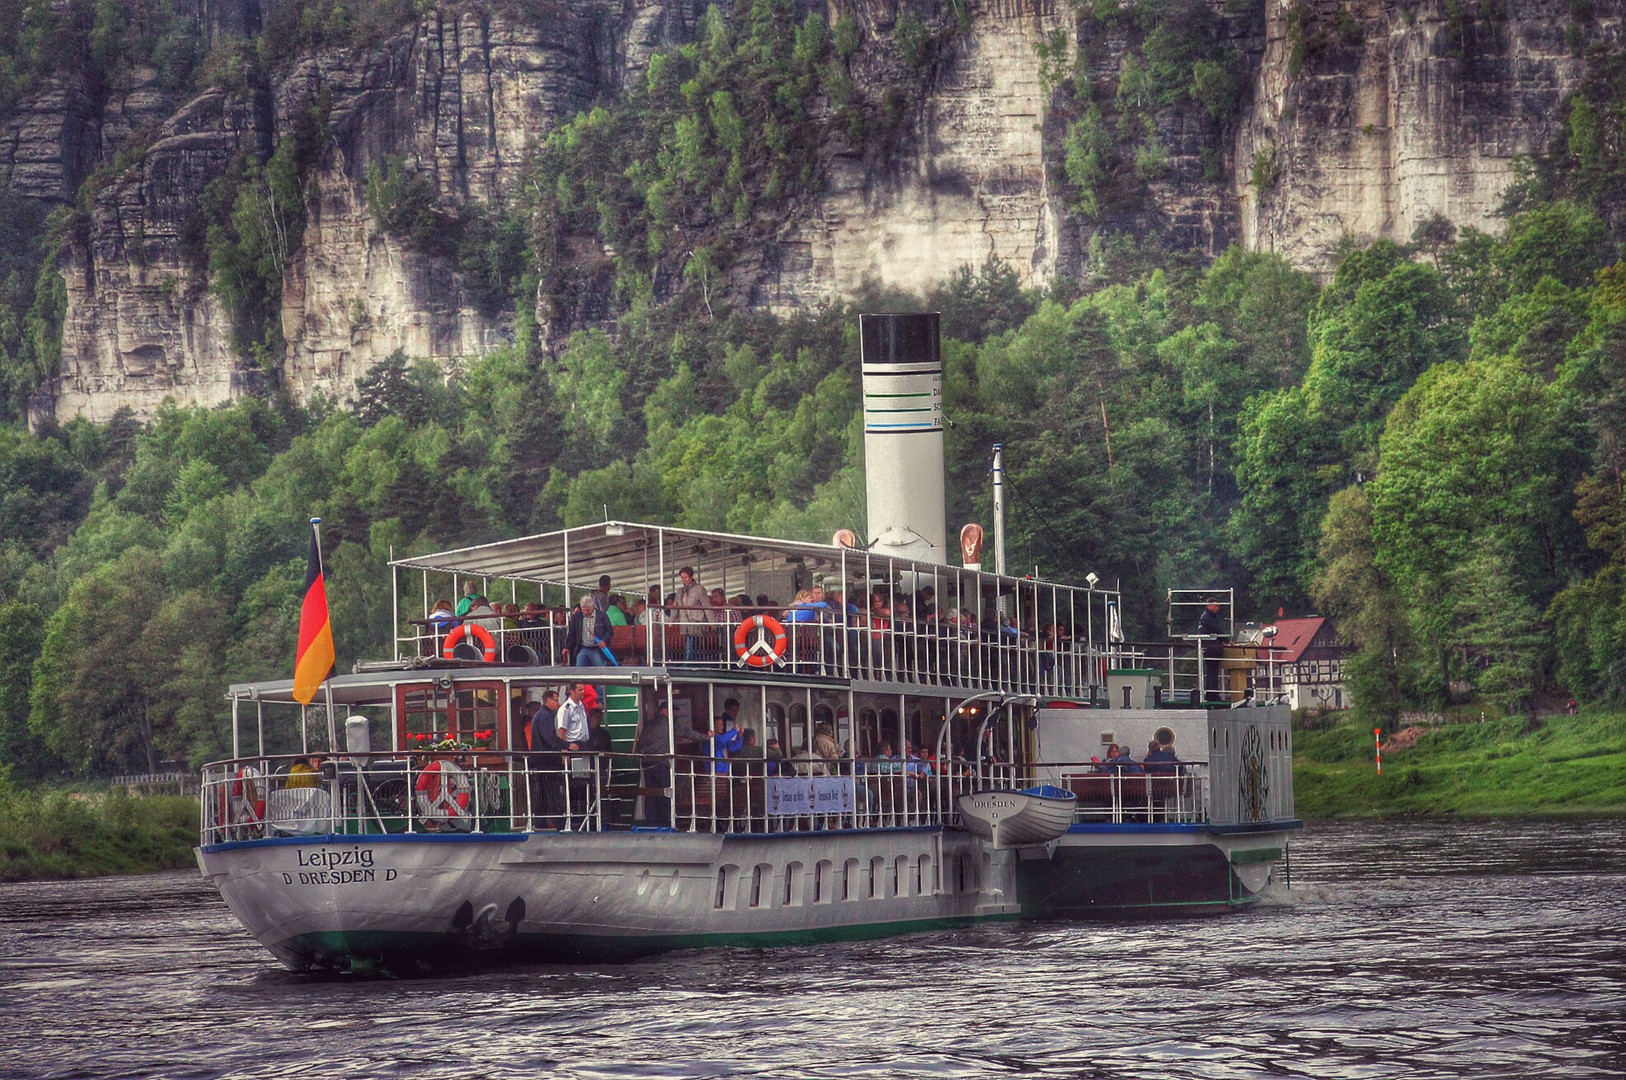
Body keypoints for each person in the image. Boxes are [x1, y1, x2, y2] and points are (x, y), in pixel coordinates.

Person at [565, 594, 613, 668]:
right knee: (579, 668)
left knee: (601, 671)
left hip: (597, 649)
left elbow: (609, 630)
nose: (585, 612)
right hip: (583, 648)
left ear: (593, 606)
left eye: (588, 610)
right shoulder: (577, 617)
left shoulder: (602, 616)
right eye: (583, 610)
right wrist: (567, 647)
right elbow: (572, 633)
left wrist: (603, 640)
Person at [674, 566, 710, 661]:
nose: (684, 580)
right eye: (682, 578)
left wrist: (712, 622)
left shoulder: (700, 589)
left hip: (696, 622)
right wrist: (671, 621)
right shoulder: (680, 591)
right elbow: (675, 607)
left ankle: (687, 664)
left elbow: (707, 606)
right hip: (685, 623)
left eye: (685, 577)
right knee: (692, 644)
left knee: (692, 643)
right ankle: (692, 663)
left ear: (691, 577)